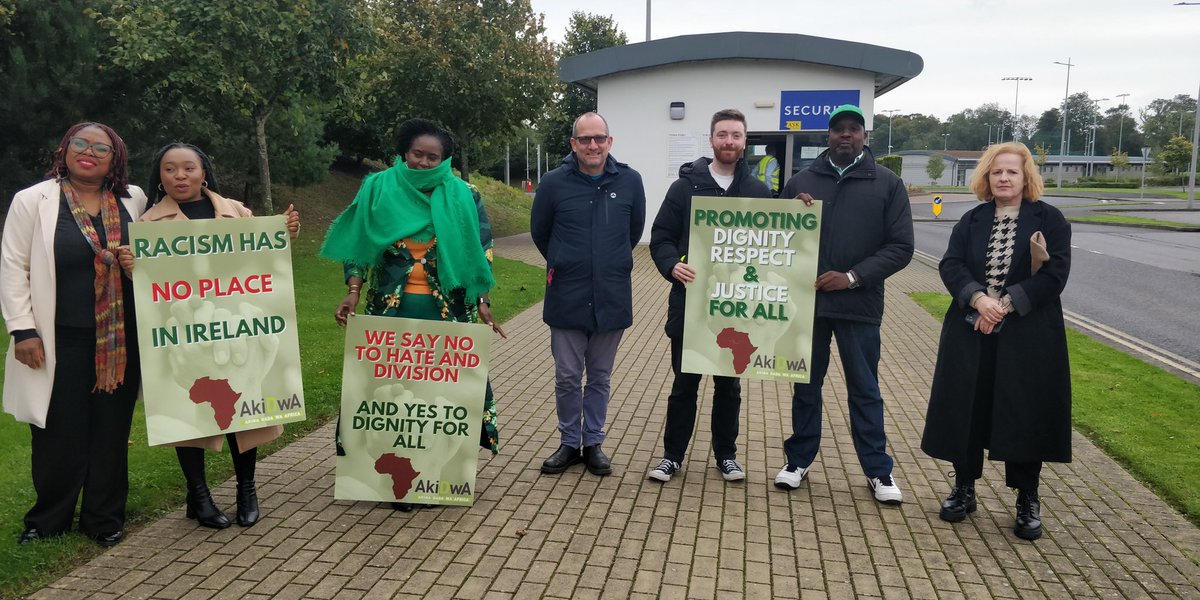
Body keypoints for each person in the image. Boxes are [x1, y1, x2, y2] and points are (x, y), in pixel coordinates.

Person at [322, 118, 504, 510]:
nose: (423, 162)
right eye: (417, 154)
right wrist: (353, 290)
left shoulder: (465, 195)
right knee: (391, 398)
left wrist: (483, 302)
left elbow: (480, 250)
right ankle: (395, 478)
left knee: (439, 397)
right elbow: (357, 246)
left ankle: (435, 474)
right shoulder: (378, 188)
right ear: (405, 152)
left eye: (432, 157)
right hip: (390, 310)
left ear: (445, 159)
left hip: (447, 312)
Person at [136, 143, 300, 529]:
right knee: (187, 419)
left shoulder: (236, 211)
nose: (180, 175)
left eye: (188, 168)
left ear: (203, 171)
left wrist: (282, 233)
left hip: (235, 331)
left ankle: (247, 489)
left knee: (244, 411)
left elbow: (261, 260)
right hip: (182, 335)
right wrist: (133, 266)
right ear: (159, 177)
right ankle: (199, 496)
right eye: (170, 169)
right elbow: (148, 287)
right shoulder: (147, 225)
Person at [2, 122, 146, 547]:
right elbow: (13, 267)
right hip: (56, 337)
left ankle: (104, 519)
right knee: (56, 432)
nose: (89, 152)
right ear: (64, 150)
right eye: (80, 144)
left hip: (120, 339)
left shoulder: (133, 199)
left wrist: (265, 227)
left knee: (110, 430)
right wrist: (22, 329)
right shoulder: (33, 200)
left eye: (101, 148)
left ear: (114, 157)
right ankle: (48, 519)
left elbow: (181, 227)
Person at [921, 142, 1071, 541]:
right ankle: (964, 488)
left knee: (1022, 413)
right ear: (986, 178)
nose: (1003, 178)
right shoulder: (972, 220)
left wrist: (1002, 305)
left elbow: (1054, 277)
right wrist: (979, 299)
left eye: (1011, 172)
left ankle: (1027, 498)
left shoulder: (1050, 219)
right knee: (968, 410)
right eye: (996, 172)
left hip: (1027, 337)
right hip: (971, 330)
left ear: (1026, 178)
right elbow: (950, 264)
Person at [773, 104, 913, 505]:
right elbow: (778, 242)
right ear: (828, 136)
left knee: (865, 389)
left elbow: (901, 247)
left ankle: (878, 471)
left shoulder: (887, 184)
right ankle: (797, 460)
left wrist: (852, 277)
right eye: (838, 130)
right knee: (805, 385)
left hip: (860, 305)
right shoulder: (802, 180)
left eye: (854, 129)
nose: (846, 135)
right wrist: (789, 214)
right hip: (809, 305)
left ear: (865, 137)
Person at [647, 109, 770, 483]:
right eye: (722, 135)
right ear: (711, 139)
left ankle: (726, 456)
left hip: (735, 309)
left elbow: (777, 243)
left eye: (735, 135)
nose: (728, 141)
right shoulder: (685, 187)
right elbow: (661, 237)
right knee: (684, 385)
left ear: (745, 141)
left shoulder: (758, 192)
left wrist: (802, 210)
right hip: (692, 305)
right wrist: (671, 265)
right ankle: (672, 456)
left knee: (728, 386)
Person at [530, 112, 646, 476]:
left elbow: (633, 231)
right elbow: (540, 233)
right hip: (567, 293)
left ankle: (593, 441)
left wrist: (607, 263)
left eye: (599, 138)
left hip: (611, 295)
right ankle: (568, 442)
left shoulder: (630, 181)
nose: (592, 145)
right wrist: (565, 261)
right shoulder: (552, 183)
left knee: (599, 375)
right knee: (567, 375)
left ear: (609, 142)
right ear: (573, 144)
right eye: (585, 139)